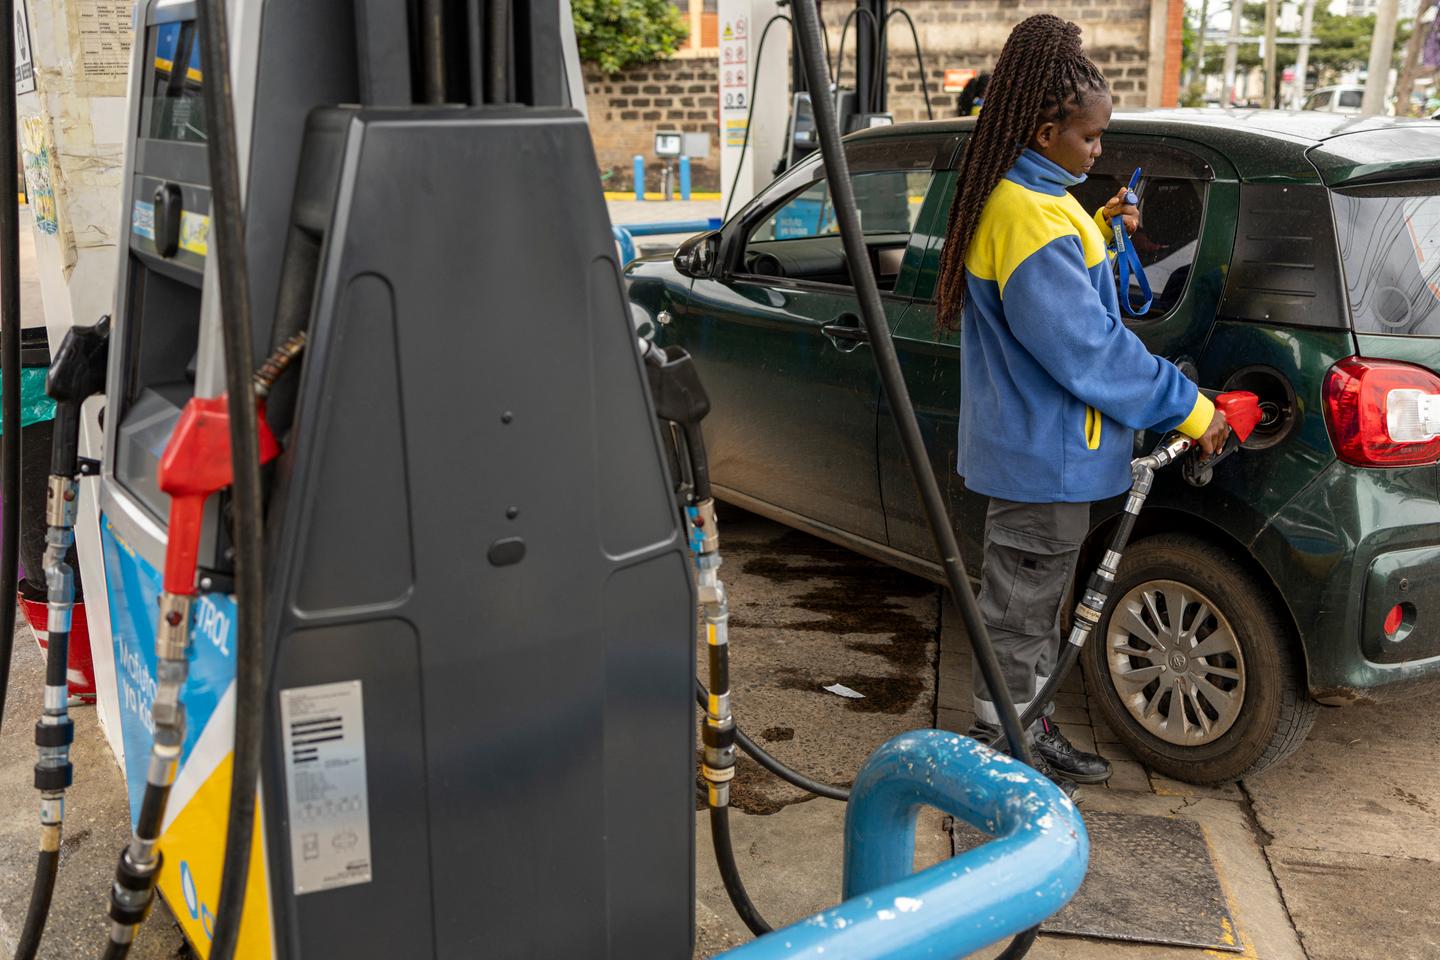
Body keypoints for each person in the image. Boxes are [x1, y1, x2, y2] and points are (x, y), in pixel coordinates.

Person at [933, 14, 1230, 797]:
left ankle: (1019, 727)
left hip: (1050, 453)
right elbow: (1088, 351)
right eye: (1091, 139)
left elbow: (1072, 294)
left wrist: (1101, 231)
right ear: (1044, 130)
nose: (1100, 152)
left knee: (1030, 608)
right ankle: (1007, 753)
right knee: (1022, 616)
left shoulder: (1044, 201)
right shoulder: (1029, 216)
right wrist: (1191, 410)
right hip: (1044, 460)